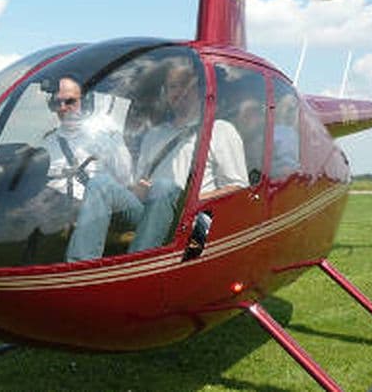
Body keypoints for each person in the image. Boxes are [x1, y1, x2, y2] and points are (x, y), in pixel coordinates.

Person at [64, 59, 248, 262]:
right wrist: (137, 188)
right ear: (166, 93)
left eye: (186, 84)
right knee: (100, 183)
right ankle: (79, 263)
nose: (180, 91)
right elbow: (140, 182)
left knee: (164, 186)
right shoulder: (155, 134)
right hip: (149, 209)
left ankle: (136, 268)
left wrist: (190, 200)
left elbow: (238, 186)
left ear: (199, 89)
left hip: (190, 220)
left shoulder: (221, 130)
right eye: (173, 86)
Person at [43, 75, 132, 201]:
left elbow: (125, 182)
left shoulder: (109, 139)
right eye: (58, 103)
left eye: (70, 101)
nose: (63, 108)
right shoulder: (48, 143)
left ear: (84, 102)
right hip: (57, 215)